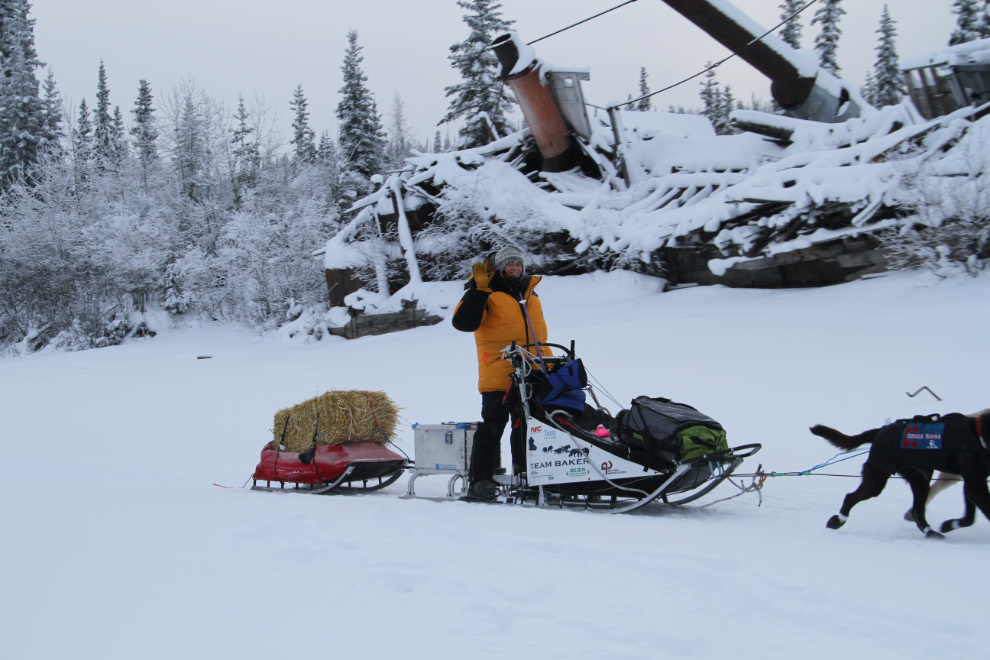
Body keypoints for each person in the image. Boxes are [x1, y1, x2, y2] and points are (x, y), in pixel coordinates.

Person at [451, 246, 551, 500]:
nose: (514, 267)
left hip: (532, 371)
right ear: (498, 267)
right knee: (493, 427)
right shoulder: (485, 292)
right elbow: (463, 323)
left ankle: (526, 477)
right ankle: (480, 481)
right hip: (499, 373)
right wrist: (479, 291)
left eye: (518, 263)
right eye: (508, 264)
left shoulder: (530, 293)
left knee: (527, 429)